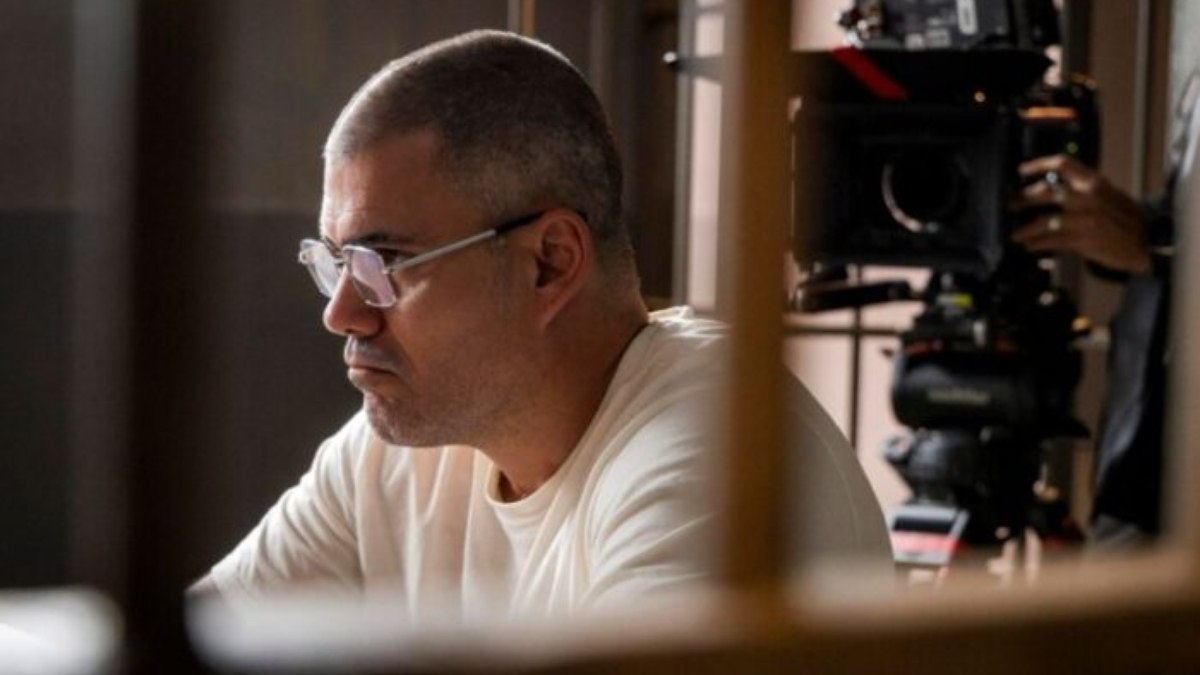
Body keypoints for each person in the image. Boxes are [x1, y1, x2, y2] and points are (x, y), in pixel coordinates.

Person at [191, 29, 890, 618]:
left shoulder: (721, 457)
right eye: (336, 262)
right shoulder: (395, 453)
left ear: (549, 263)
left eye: (384, 262)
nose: (340, 313)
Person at [1009, 75, 1197, 545]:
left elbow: (1168, 242)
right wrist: (1115, 228)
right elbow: (1182, 214)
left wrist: (1157, 245)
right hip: (1138, 467)